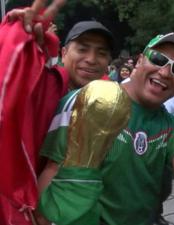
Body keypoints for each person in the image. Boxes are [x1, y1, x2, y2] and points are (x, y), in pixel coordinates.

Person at [36, 32, 174, 225]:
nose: (164, 72)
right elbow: (52, 169)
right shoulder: (93, 100)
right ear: (139, 61)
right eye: (158, 59)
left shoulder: (171, 125)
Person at [0, 0, 115, 223]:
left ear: (108, 62)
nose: (91, 59)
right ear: (64, 52)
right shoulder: (46, 88)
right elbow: (9, 87)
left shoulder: (110, 103)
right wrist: (16, 35)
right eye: (82, 49)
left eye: (101, 53)